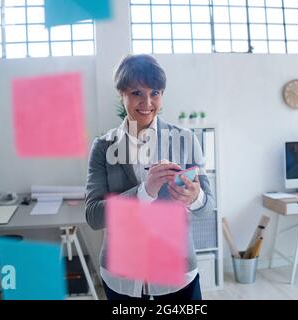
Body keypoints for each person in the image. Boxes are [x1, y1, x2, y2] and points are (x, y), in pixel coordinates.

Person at [85, 54, 215, 300]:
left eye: (155, 92)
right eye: (136, 93)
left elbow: (208, 207)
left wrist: (195, 197)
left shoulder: (186, 140)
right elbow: (93, 215)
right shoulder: (103, 147)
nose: (147, 102)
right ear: (121, 94)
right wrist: (145, 192)